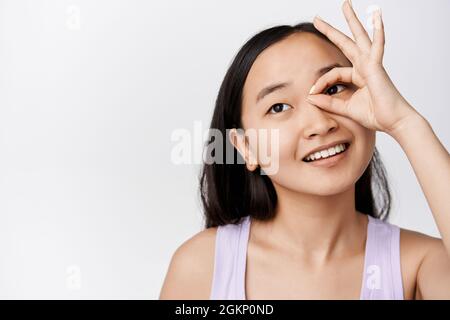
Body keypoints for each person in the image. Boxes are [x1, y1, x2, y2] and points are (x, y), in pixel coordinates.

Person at [160, 0, 450, 299]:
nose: (319, 124)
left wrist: (405, 123)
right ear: (246, 147)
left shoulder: (418, 266)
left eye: (332, 88)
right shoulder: (201, 267)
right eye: (279, 106)